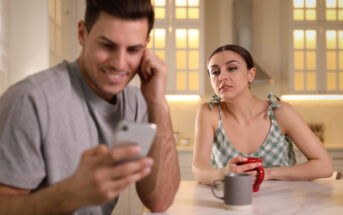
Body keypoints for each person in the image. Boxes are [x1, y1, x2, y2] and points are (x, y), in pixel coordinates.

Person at [0, 0, 180, 214]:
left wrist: (158, 102)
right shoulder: (31, 100)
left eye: (133, 50)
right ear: (82, 34)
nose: (120, 64)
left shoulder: (137, 103)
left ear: (146, 46)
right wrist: (71, 193)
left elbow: (159, 200)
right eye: (107, 45)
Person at [192, 44, 333, 185]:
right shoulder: (209, 112)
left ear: (251, 74)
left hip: (284, 203)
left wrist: (268, 173)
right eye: (215, 72)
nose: (222, 77)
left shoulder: (280, 112)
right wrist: (224, 173)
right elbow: (199, 169)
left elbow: (324, 166)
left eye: (232, 68)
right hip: (231, 203)